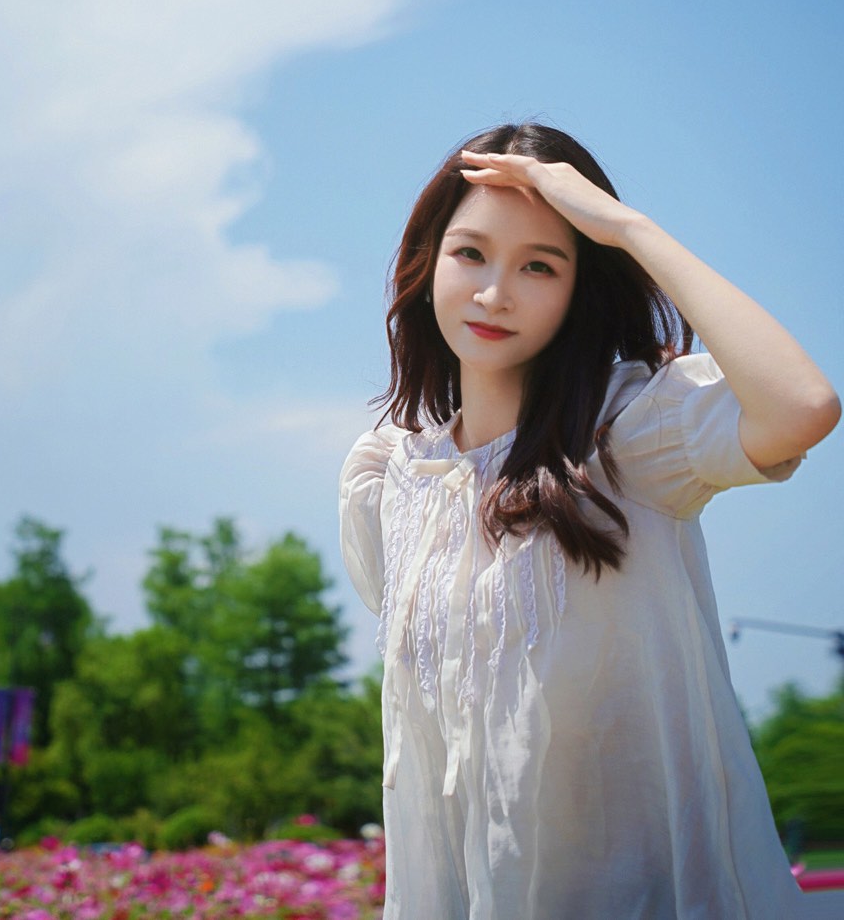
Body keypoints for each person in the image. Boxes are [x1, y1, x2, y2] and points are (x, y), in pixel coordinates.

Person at [341, 125, 838, 920]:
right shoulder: (387, 478)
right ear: (426, 263)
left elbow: (803, 406)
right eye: (471, 253)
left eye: (540, 265)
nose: (495, 292)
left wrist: (625, 227)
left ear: (581, 289)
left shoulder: (632, 432)